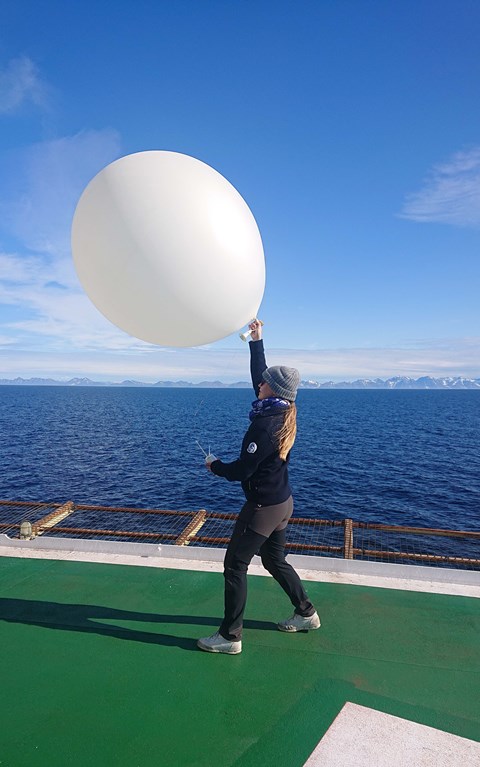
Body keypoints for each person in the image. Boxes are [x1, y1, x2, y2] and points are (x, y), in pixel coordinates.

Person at [197, 320, 320, 655]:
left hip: (263, 508)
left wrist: (215, 467)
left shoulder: (263, 428)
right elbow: (261, 374)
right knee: (275, 560)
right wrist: (257, 341)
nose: (259, 383)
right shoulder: (282, 412)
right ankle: (306, 612)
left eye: (264, 382)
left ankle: (230, 636)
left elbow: (242, 470)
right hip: (283, 503)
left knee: (235, 566)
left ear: (272, 390)